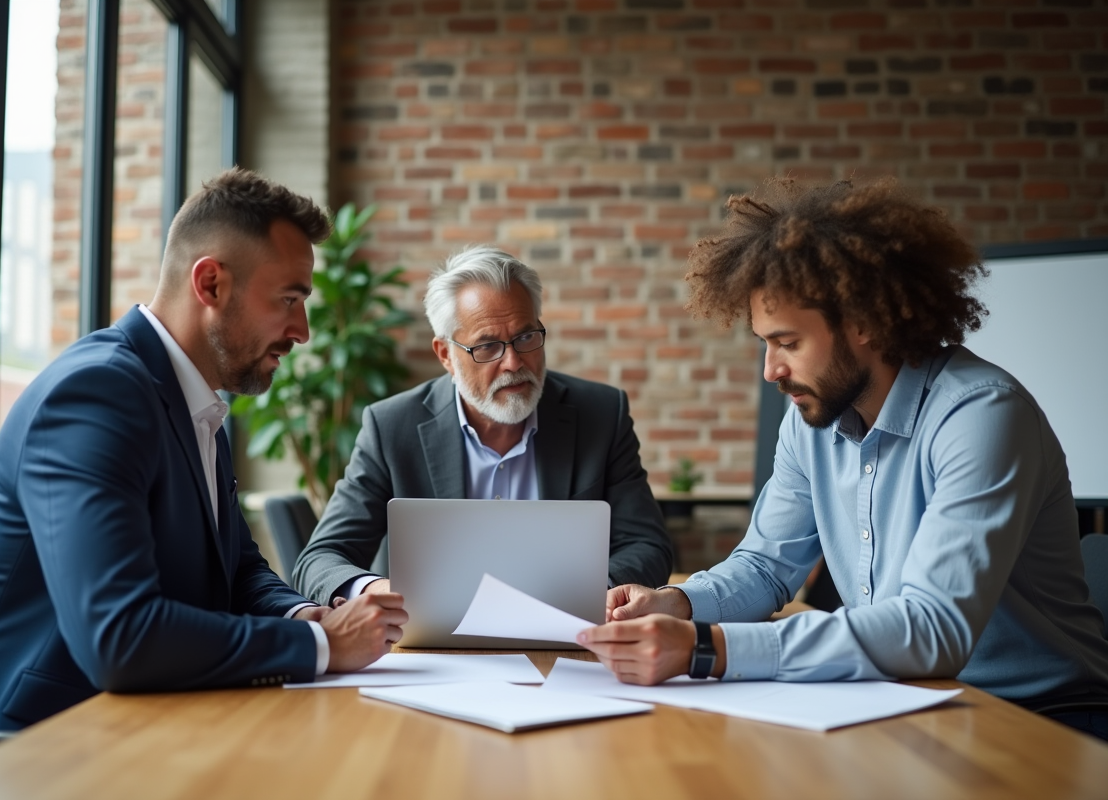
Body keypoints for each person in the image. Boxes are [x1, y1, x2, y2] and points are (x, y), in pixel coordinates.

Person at [577, 179, 1108, 740]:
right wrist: (678, 603)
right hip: (906, 703)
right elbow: (765, 566)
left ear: (865, 323)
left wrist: (709, 648)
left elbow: (932, 631)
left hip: (1041, 720)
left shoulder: (982, 417)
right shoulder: (813, 419)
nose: (770, 371)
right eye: (765, 343)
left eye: (788, 343)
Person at [0, 168, 407, 734]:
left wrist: (305, 613)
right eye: (288, 299)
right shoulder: (94, 396)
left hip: (144, 725)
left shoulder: (195, 406)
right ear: (210, 285)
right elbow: (119, 637)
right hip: (32, 745)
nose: (301, 330)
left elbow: (238, 569)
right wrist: (321, 643)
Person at [293, 245, 673, 605]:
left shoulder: (601, 414)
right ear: (445, 354)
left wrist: (586, 595)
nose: (513, 363)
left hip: (567, 636)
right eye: (487, 346)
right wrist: (378, 591)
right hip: (432, 646)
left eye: (525, 337)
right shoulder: (392, 427)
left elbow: (647, 545)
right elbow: (321, 559)